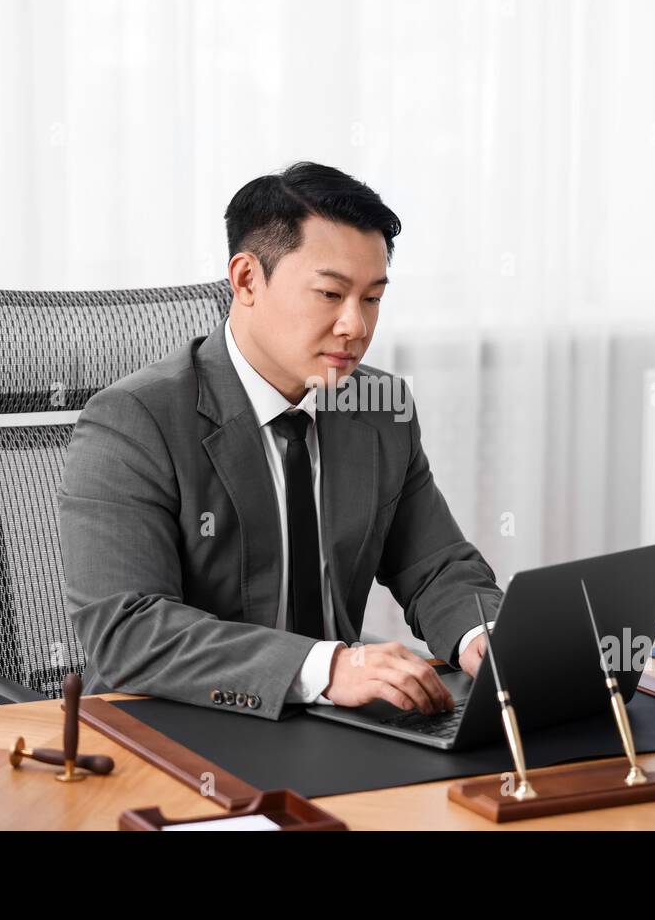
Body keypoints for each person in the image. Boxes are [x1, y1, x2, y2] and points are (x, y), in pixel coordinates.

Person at [58, 161, 502, 720]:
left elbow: (436, 566)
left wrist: (483, 635)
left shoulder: (379, 409)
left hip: (336, 730)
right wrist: (326, 669)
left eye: (372, 299)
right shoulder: (131, 421)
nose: (356, 326)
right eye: (330, 294)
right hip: (182, 729)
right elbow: (128, 630)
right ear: (246, 280)